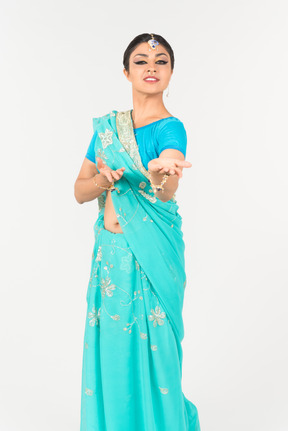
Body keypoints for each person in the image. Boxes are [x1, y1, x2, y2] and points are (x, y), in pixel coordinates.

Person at [74, 32, 201, 431]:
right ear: (126, 71)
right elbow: (80, 190)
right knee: (113, 346)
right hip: (110, 256)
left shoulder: (170, 128)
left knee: (156, 348)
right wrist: (104, 182)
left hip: (152, 255)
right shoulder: (107, 130)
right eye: (142, 60)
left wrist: (166, 172)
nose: (151, 67)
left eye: (160, 60)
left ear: (171, 72)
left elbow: (169, 175)